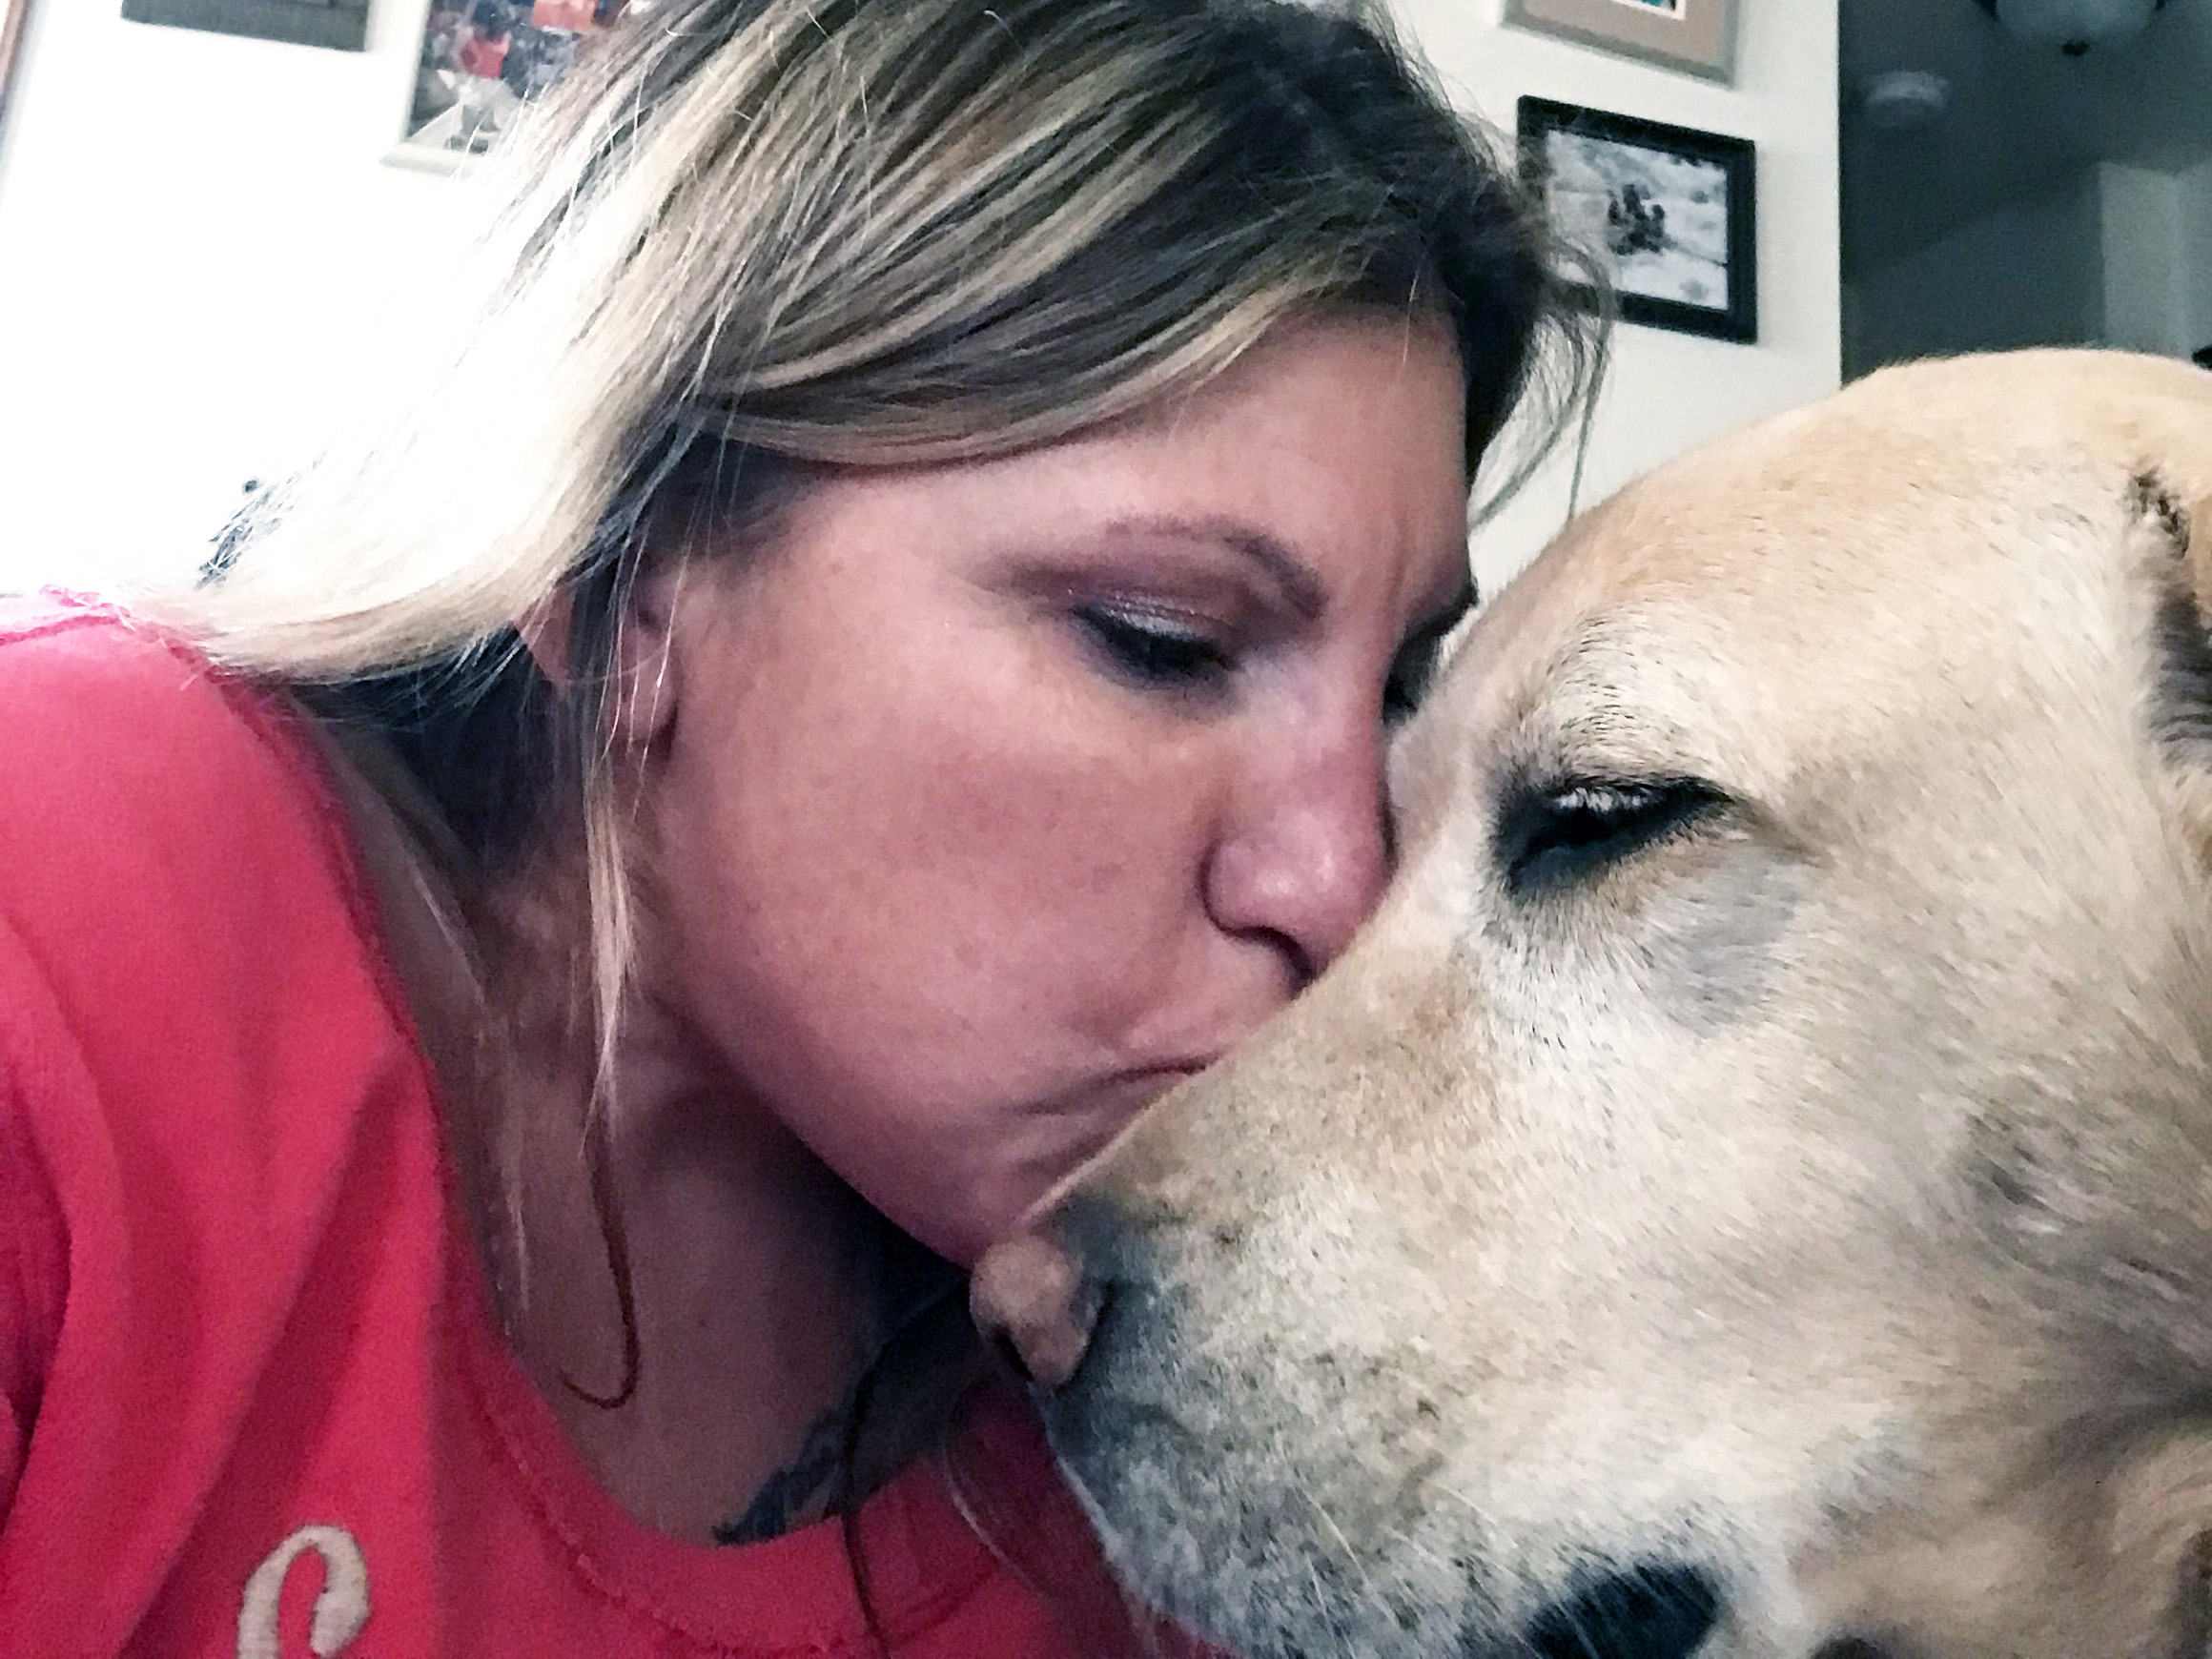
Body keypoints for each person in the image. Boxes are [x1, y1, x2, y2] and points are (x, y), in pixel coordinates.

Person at [0, 0, 1597, 1653]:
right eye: (1161, 638)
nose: (1345, 889)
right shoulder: (51, 911)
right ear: (625, 569)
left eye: (1401, 685)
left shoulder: (1174, 1346)